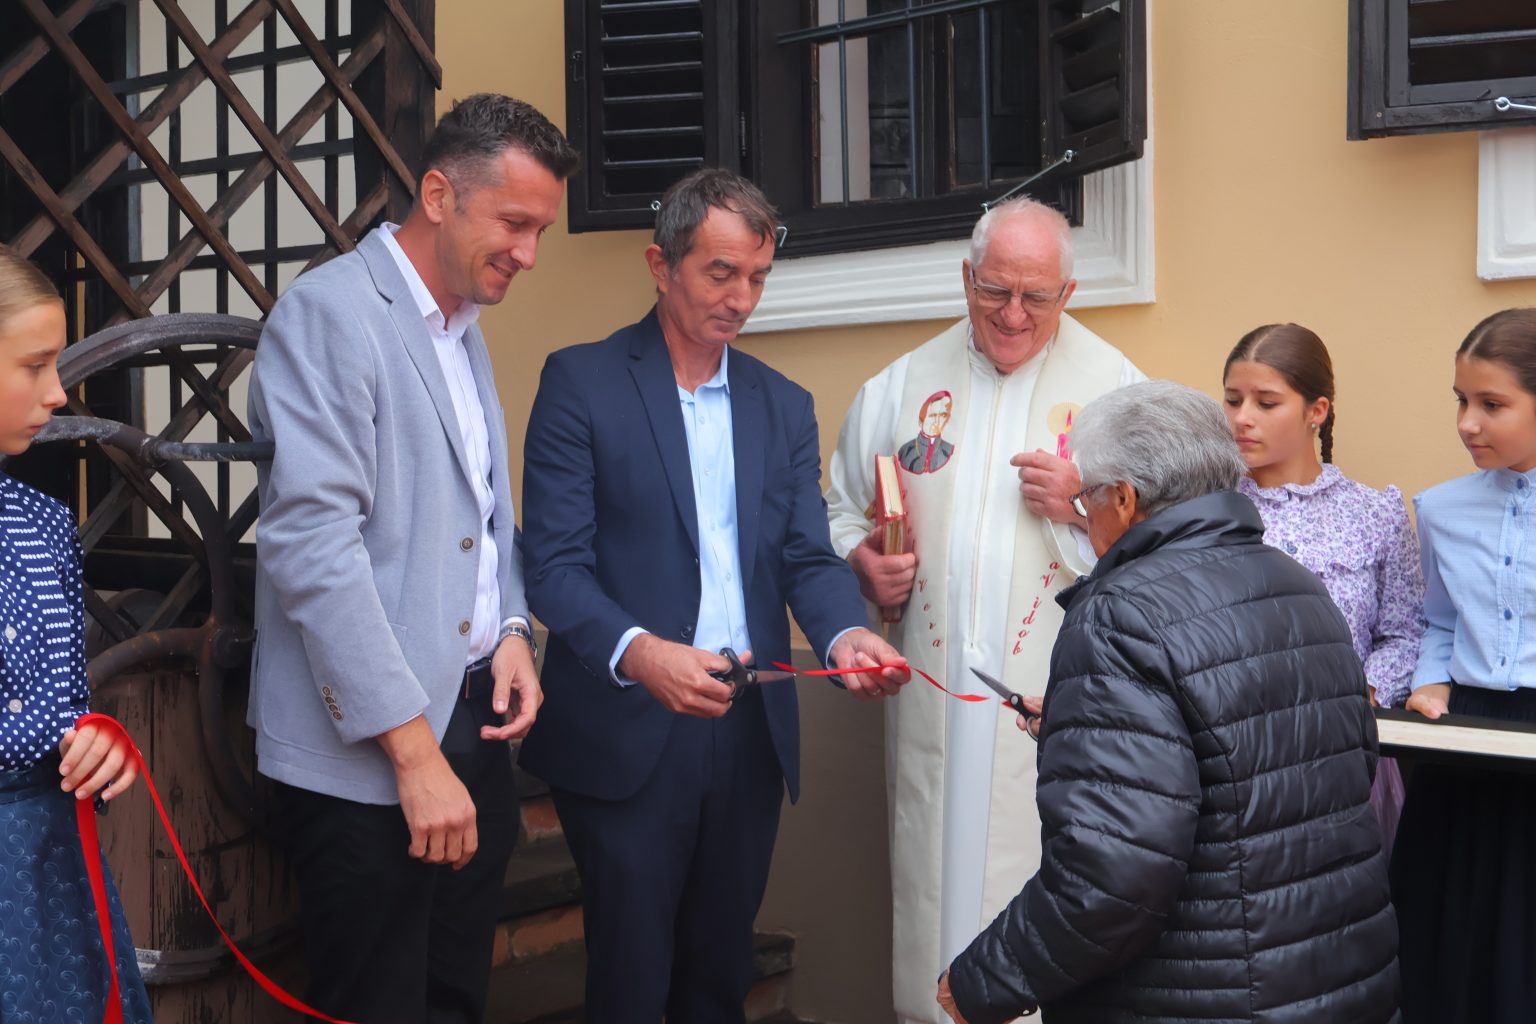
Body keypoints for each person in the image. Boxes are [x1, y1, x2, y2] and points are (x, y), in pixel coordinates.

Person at [518, 168, 909, 1023]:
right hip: (626, 727)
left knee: (718, 980)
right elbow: (552, 565)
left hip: (750, 727)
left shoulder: (783, 404)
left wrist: (844, 636)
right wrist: (640, 654)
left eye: (758, 277)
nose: (742, 299)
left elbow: (806, 556)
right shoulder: (581, 383)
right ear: (661, 265)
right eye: (721, 273)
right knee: (630, 985)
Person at [246, 95, 578, 1023]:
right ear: (438, 195)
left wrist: (512, 630)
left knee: (454, 1000)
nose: (529, 253)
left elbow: (485, 515)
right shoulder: (331, 313)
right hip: (374, 757)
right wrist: (414, 754)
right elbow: (312, 546)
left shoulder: (461, 323)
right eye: (514, 223)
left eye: (541, 230)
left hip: (472, 730)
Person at [936, 380, 1400, 1024]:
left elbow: (1112, 875)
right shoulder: (1297, 583)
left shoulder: (1120, 612)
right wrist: (1089, 729)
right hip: (1337, 976)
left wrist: (984, 981)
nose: (1087, 513)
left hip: (1205, 991)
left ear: (1124, 499)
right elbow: (1299, 765)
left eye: (1086, 497)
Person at [824, 196, 1143, 1021]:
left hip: (1056, 700)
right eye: (995, 289)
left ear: (1069, 294)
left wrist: (1082, 505)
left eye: (1037, 296)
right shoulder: (900, 387)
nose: (1013, 314)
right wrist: (862, 562)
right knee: (933, 888)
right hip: (931, 693)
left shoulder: (1117, 394)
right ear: (967, 278)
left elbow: (1159, 544)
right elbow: (840, 511)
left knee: (1040, 884)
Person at [0, 245, 152, 1022]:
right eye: (35, 365)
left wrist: (98, 741)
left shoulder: (43, 524)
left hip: (50, 870)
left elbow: (69, 704)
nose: (59, 391)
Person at [1222, 323, 1424, 856]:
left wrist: (1364, 695)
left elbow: (1405, 632)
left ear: (1317, 410)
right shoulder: (1207, 508)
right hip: (1232, 756)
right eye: (1233, 400)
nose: (1242, 418)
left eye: (1266, 403)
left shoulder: (1374, 513)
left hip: (1344, 757)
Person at [1392, 308, 1536, 1024]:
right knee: (1448, 928)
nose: (1467, 423)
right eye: (1460, 400)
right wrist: (1428, 681)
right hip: (1466, 738)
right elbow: (1441, 622)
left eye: (1492, 404)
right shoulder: (1442, 509)